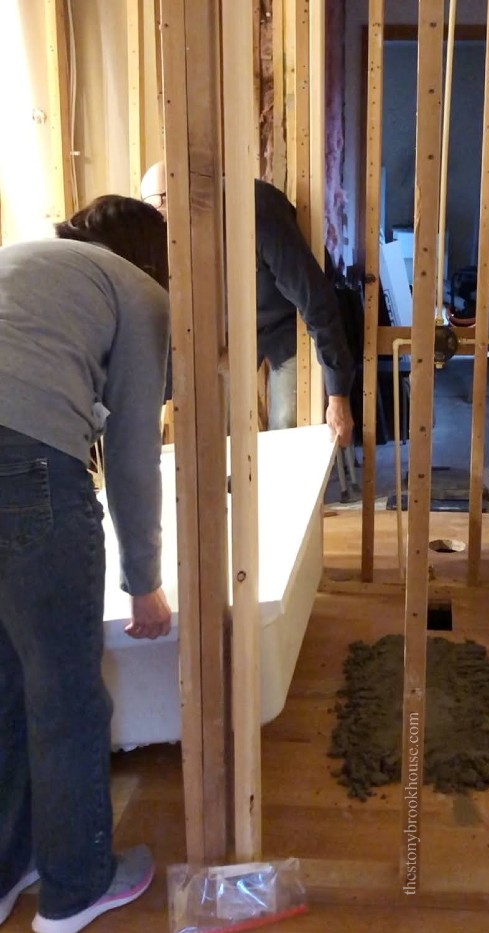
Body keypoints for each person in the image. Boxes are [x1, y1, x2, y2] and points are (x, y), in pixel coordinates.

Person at [0, 195, 172, 933]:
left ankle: (11, 867)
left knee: (5, 679)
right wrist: (146, 583)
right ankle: (76, 889)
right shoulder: (140, 293)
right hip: (25, 462)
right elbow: (135, 458)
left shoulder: (21, 260)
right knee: (66, 691)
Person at [141, 161, 355, 445]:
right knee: (214, 420)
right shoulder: (171, 234)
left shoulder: (257, 211)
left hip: (289, 321)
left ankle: (285, 488)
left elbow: (315, 299)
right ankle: (231, 488)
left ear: (187, 192)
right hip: (233, 328)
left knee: (289, 422)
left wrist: (338, 394)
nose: (163, 223)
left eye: (161, 207)